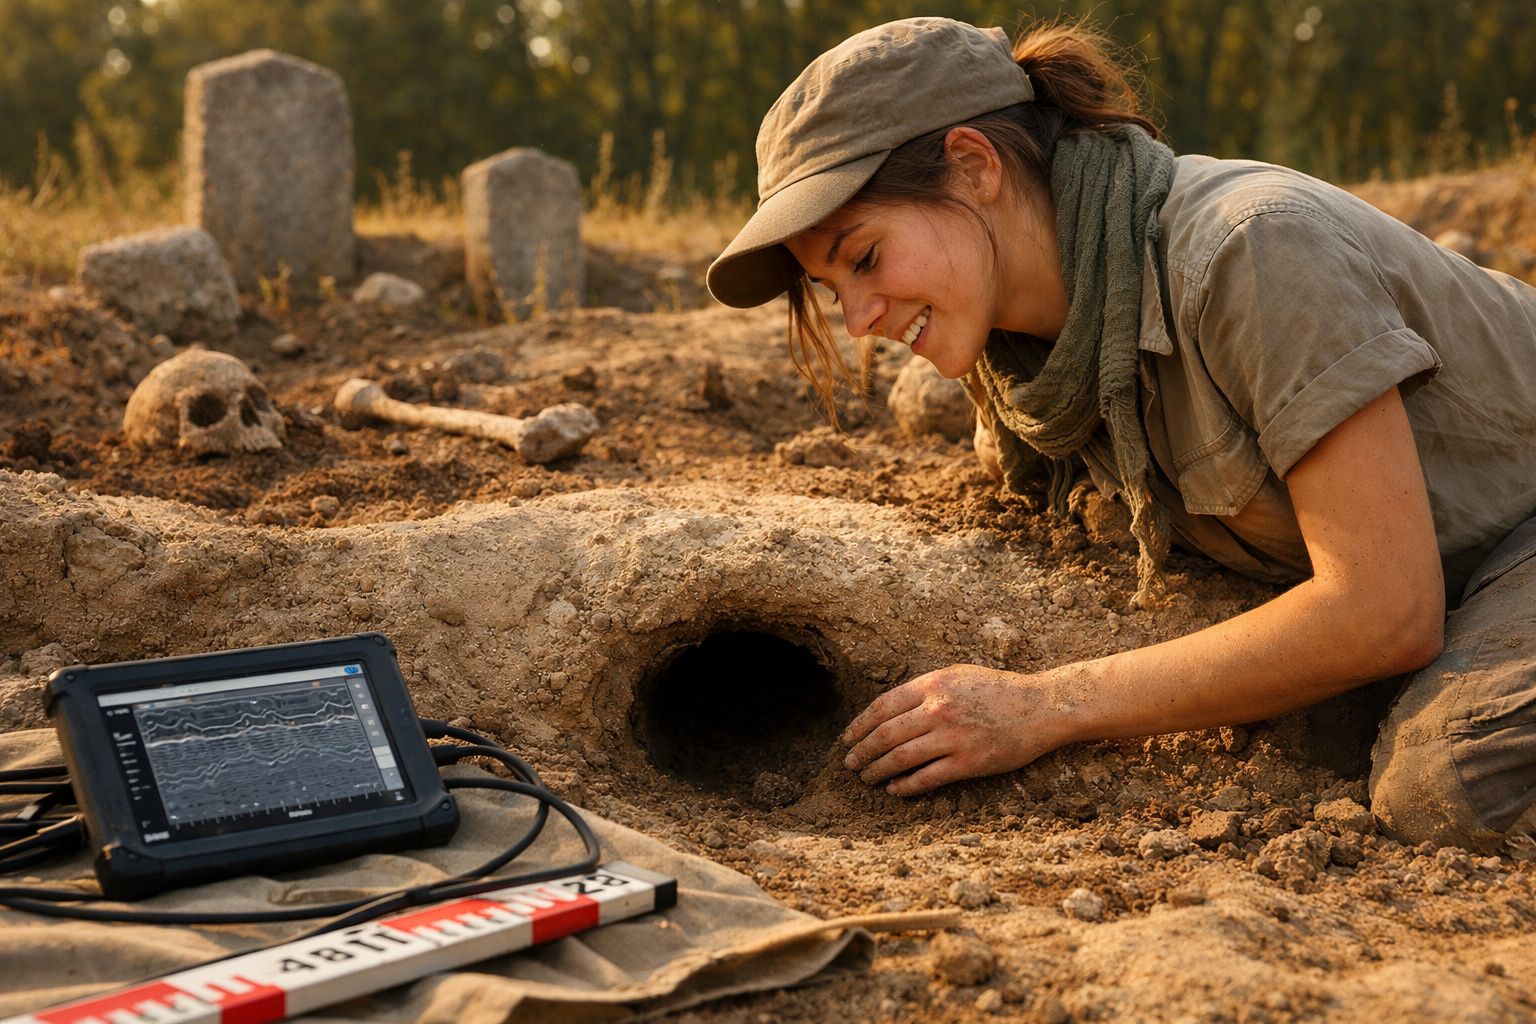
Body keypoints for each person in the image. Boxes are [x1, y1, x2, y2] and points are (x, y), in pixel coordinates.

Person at [704, 17, 1536, 853]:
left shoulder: (1253, 253)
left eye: (867, 258)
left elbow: (1386, 612)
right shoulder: (1027, 357)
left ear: (974, 165)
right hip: (1472, 575)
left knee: (1449, 783)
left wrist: (1048, 705)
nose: (856, 320)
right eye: (828, 287)